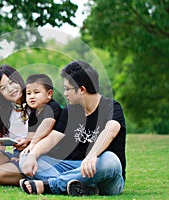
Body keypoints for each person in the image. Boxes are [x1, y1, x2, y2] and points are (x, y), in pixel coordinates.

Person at [19, 60, 126, 196]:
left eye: (67, 89)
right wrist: (33, 154)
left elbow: (110, 131)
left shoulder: (111, 107)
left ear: (81, 89)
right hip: (76, 168)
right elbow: (53, 138)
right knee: (26, 158)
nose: (64, 93)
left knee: (110, 161)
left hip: (102, 172)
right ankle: (80, 186)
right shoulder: (71, 111)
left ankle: (50, 185)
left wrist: (92, 155)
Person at [22, 74, 62, 154]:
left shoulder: (52, 106)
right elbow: (31, 135)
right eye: (28, 93)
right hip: (42, 149)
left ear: (49, 94)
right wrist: (25, 142)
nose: (31, 96)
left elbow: (46, 125)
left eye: (36, 92)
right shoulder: (33, 114)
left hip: (58, 149)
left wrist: (33, 143)